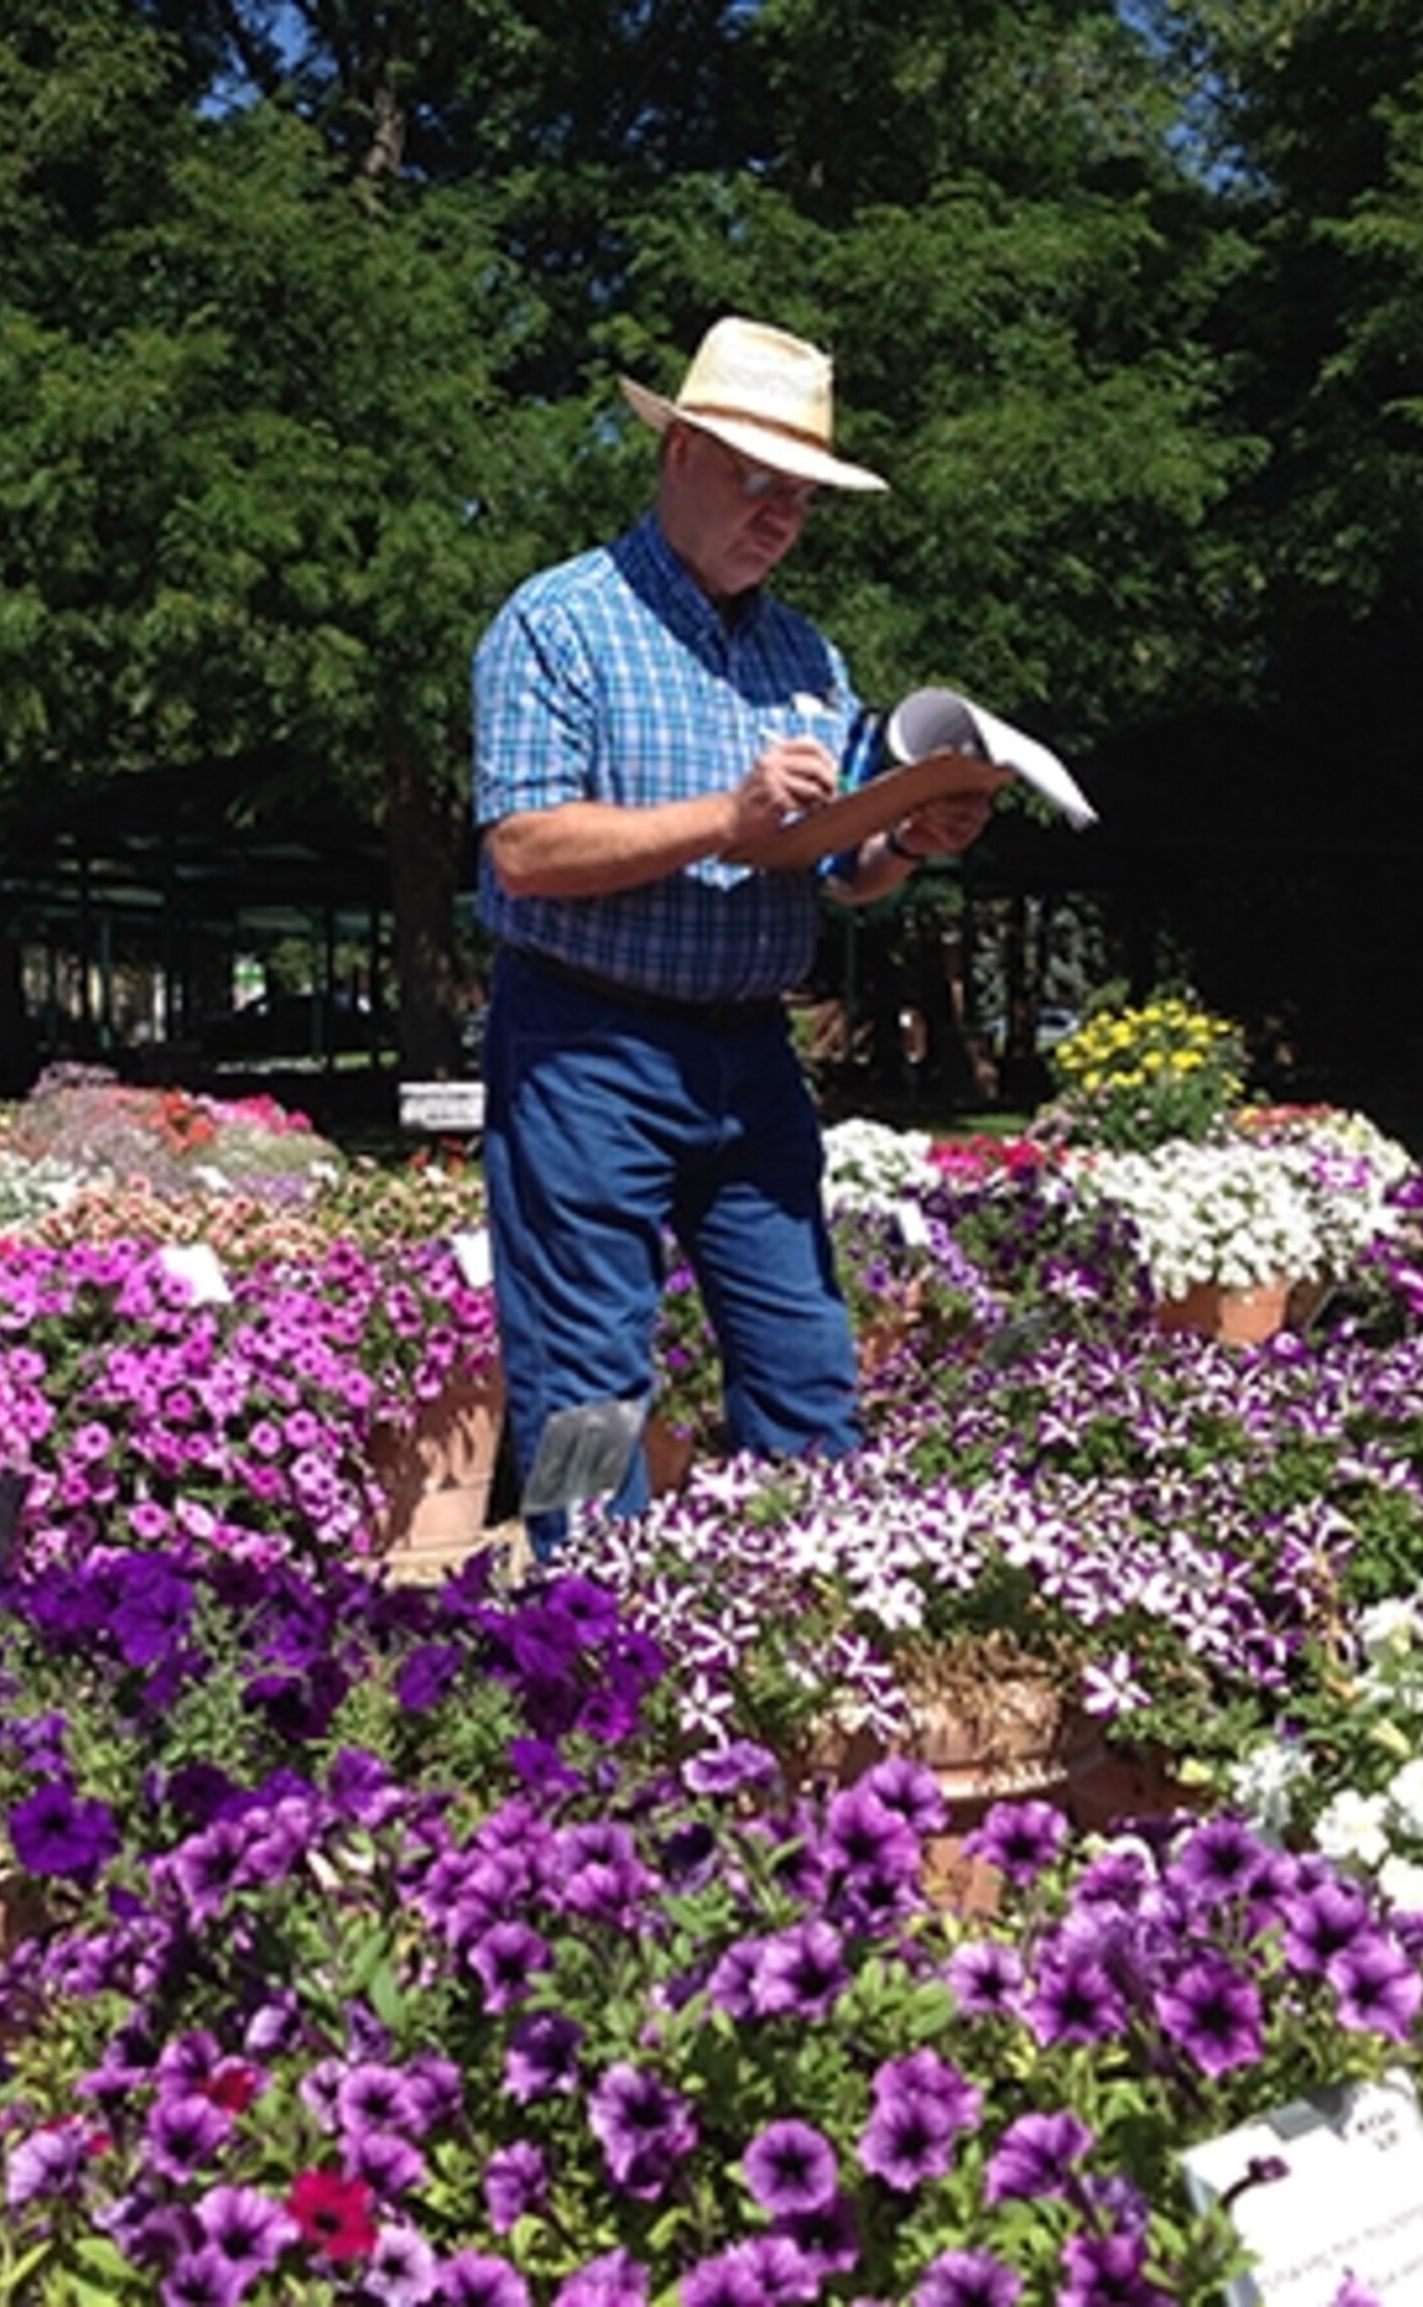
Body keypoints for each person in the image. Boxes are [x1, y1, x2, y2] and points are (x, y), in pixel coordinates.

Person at [471, 314, 996, 1555]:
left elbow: (837, 874)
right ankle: (591, 1632)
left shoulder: (808, 654)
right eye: (756, 480)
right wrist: (727, 812)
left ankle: (799, 1636)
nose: (779, 515)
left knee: (807, 1363)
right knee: (586, 1381)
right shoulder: (560, 625)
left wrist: (911, 837)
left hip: (752, 1055)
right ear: (678, 456)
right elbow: (524, 851)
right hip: (583, 1046)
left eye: (801, 496)